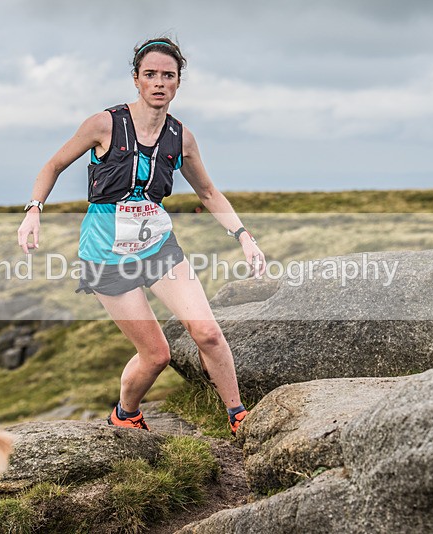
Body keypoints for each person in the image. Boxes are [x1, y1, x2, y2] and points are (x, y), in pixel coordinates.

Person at [17, 37, 265, 436]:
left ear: (178, 83)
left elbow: (208, 193)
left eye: (168, 75)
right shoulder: (105, 124)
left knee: (208, 333)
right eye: (150, 74)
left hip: (157, 247)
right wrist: (34, 210)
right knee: (156, 355)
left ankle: (238, 416)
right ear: (136, 79)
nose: (159, 82)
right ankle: (125, 413)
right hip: (105, 255)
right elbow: (53, 165)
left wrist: (243, 236)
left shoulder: (180, 137)